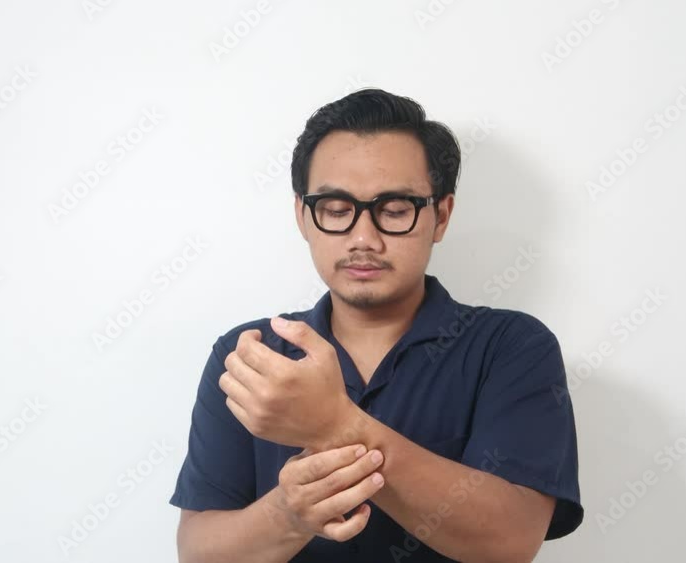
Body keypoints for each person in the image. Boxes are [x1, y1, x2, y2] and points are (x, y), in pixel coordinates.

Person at [169, 88, 583, 562]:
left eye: (394, 210)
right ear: (303, 216)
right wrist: (288, 513)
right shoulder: (252, 354)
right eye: (336, 210)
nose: (363, 238)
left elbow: (511, 541)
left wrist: (336, 426)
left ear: (441, 216)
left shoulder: (510, 347)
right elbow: (198, 552)